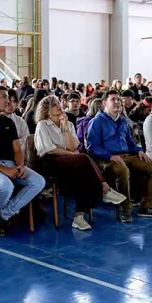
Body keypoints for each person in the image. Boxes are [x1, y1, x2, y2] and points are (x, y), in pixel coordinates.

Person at [34, 96, 125, 230]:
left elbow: (73, 145)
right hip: (51, 161)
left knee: (84, 174)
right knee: (83, 158)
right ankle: (105, 188)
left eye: (59, 103)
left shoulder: (68, 123)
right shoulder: (43, 125)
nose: (59, 106)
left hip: (71, 160)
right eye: (54, 105)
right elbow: (48, 149)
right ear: (46, 110)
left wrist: (65, 128)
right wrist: (70, 154)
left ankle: (79, 216)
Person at [0, 86, 45, 229]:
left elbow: (17, 149)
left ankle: (3, 213)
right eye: (3, 97)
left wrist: (20, 166)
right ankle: (1, 215)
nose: (8, 101)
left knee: (38, 182)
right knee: (5, 186)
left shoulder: (8, 122)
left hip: (9, 163)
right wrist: (5, 170)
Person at [85, 89, 152, 222]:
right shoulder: (96, 121)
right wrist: (110, 156)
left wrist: (139, 150)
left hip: (128, 155)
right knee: (122, 170)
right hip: (107, 159)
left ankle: (147, 206)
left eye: (118, 99)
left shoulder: (122, 121)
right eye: (113, 100)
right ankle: (126, 209)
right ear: (104, 103)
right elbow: (92, 147)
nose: (117, 102)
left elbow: (130, 141)